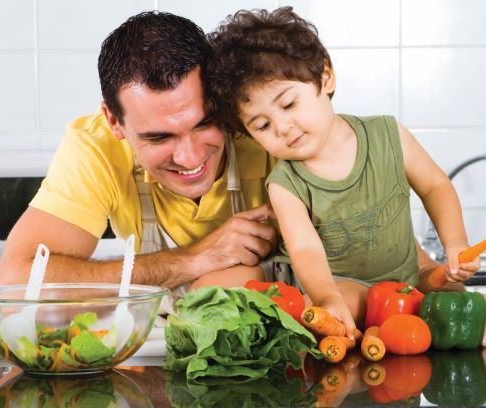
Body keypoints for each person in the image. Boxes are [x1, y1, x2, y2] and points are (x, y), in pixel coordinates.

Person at [205, 7, 480, 336]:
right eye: (262, 125)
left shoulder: (388, 135)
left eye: (289, 104)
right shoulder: (284, 183)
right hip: (328, 280)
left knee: (458, 300)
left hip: (399, 279)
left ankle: (300, 309)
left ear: (325, 76)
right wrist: (325, 297)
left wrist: (456, 243)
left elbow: (435, 186)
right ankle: (294, 302)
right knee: (206, 290)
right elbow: (305, 249)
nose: (282, 127)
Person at [0, 11, 281, 297]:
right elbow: (11, 287)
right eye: (159, 137)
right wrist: (193, 259)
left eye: (205, 123)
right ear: (114, 121)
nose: (190, 158)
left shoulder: (265, 121)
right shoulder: (97, 147)